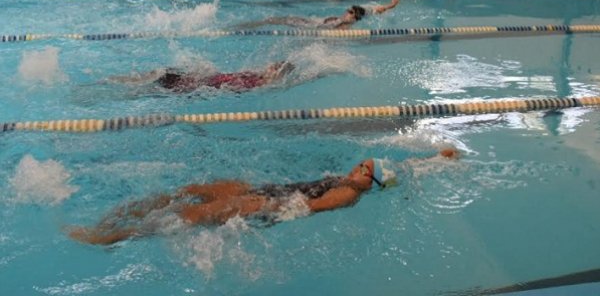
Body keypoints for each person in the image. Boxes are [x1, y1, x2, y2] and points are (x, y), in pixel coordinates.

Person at [68, 149, 459, 245]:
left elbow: (308, 207)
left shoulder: (345, 195)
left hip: (268, 202)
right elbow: (404, 169)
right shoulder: (353, 181)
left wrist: (263, 208)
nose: (357, 167)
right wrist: (436, 158)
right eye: (361, 163)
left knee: (190, 213)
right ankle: (113, 220)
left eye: (364, 169)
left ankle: (110, 238)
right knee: (186, 191)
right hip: (264, 190)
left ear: (367, 182)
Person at [109, 61, 295, 94]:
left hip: (197, 83)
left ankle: (117, 82)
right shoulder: (253, 78)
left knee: (157, 78)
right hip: (200, 81)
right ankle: (117, 82)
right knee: (160, 76)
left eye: (273, 68)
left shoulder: (254, 81)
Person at [232, 0, 399, 31]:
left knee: (273, 20)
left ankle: (241, 27)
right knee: (274, 19)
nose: (345, 11)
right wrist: (390, 6)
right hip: (311, 21)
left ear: (353, 16)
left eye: (348, 11)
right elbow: (374, 10)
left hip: (311, 26)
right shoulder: (351, 18)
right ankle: (246, 25)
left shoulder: (344, 24)